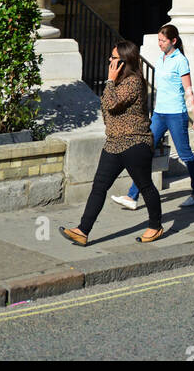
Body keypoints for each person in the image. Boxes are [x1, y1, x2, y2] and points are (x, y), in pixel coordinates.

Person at [60, 41, 163, 246]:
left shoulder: (134, 82)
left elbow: (112, 104)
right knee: (99, 186)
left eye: (114, 58)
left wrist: (109, 81)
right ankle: (82, 230)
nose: (110, 60)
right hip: (114, 143)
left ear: (124, 61)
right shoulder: (117, 84)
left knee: (145, 185)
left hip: (135, 141)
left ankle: (155, 226)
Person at [112, 23, 194, 211]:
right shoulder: (161, 58)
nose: (160, 44)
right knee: (144, 152)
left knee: (185, 154)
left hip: (176, 114)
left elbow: (189, 90)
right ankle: (132, 196)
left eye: (163, 40)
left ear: (173, 41)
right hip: (159, 114)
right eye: (159, 40)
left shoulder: (181, 60)